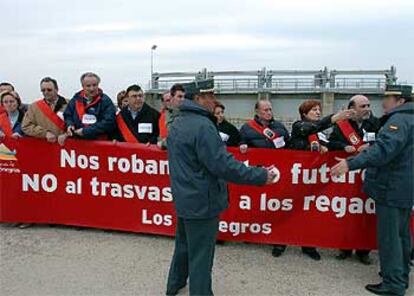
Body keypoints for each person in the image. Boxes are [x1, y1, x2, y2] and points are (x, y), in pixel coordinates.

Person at [166, 79, 276, 296]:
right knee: (201, 257)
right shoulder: (203, 125)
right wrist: (261, 176)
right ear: (197, 98)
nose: (213, 99)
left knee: (184, 248)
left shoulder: (177, 121)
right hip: (202, 200)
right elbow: (222, 165)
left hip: (185, 197)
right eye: (208, 95)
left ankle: (174, 286)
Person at [331, 84, 413, 296]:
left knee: (390, 238)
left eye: (388, 99)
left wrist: (350, 164)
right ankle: (400, 276)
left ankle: (393, 284)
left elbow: (385, 151)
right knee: (402, 236)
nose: (383, 103)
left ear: (400, 101)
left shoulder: (398, 120)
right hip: (404, 186)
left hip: (391, 186)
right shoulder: (409, 119)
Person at [287, 99, 354, 260]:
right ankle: (280, 243)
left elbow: (328, 143)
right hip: (296, 178)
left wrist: (343, 147)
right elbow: (311, 129)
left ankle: (308, 245)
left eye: (319, 110)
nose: (318, 112)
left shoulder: (319, 133)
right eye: (314, 110)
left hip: (311, 179)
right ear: (304, 113)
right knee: (289, 210)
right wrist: (334, 118)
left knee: (309, 213)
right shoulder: (299, 126)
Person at [329, 94, 381, 265]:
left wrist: (371, 147)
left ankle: (363, 251)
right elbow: (331, 143)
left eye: (368, 105)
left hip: (368, 175)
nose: (367, 109)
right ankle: (344, 248)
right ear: (352, 108)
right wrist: (343, 146)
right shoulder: (341, 125)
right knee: (347, 213)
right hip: (347, 176)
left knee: (365, 213)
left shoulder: (376, 123)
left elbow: (384, 144)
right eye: (362, 106)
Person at [59, 72, 116, 144]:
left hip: (99, 142)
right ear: (83, 86)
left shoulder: (105, 101)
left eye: (94, 85)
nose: (92, 88)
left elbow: (109, 122)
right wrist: (70, 125)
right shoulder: (75, 100)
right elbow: (68, 115)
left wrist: (86, 131)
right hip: (78, 143)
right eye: (88, 86)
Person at [21, 77, 68, 142]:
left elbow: (77, 125)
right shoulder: (34, 107)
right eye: (43, 90)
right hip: (44, 145)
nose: (46, 92)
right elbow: (26, 126)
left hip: (67, 145)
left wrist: (66, 134)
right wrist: (45, 133)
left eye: (49, 90)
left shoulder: (69, 104)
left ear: (56, 89)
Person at [157, 83, 185, 149]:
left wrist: (163, 143)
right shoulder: (158, 116)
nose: (170, 102)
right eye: (167, 100)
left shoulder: (184, 114)